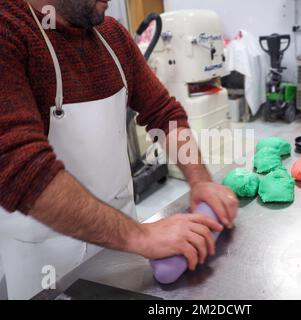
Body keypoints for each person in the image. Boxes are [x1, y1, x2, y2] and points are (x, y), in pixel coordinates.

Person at [0, 0, 239, 299]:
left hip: (120, 242)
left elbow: (164, 114)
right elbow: (19, 167)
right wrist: (141, 236)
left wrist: (200, 180)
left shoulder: (112, 35)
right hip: (46, 258)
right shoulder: (9, 29)